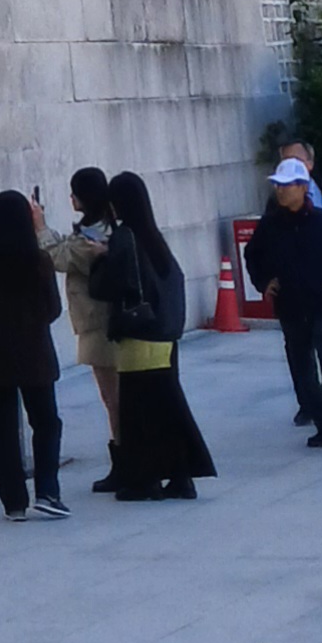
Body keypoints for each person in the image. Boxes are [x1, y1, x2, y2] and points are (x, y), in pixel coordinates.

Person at [93, 170, 215, 501]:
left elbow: (106, 287)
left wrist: (99, 258)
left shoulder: (124, 237)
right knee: (166, 408)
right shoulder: (153, 236)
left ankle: (143, 481)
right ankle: (180, 476)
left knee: (138, 411)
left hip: (138, 335)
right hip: (164, 335)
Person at [0, 189, 68, 521]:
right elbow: (53, 309)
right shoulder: (40, 261)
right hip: (35, 355)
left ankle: (14, 502)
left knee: (4, 432)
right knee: (46, 423)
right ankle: (47, 489)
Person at [246, 156, 322, 451]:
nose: (281, 191)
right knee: (303, 371)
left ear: (303, 187)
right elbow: (252, 255)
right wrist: (263, 282)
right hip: (291, 309)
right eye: (278, 185)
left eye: (287, 185)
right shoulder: (270, 225)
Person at [43, 169, 120, 488]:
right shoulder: (102, 227)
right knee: (114, 398)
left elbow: (57, 256)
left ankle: (124, 462)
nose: (71, 198)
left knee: (113, 399)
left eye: (75, 193)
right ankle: (125, 460)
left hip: (99, 323)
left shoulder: (96, 235)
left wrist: (39, 227)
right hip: (101, 322)